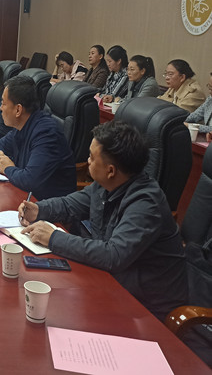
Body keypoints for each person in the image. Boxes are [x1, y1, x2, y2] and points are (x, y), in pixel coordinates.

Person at [19, 121, 187, 320]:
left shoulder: (146, 203)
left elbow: (113, 255)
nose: (87, 161)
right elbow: (70, 205)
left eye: (91, 157)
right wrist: (39, 209)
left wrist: (52, 238)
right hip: (111, 283)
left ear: (111, 170)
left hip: (146, 307)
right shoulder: (106, 185)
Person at [0, 76, 76, 200]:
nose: (0, 108)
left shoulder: (46, 133)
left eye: (3, 103)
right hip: (27, 198)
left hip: (51, 206)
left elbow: (30, 180)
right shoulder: (21, 125)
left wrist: (7, 168)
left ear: (18, 110)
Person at [185, 72, 212, 141]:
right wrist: (179, 121)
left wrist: (190, 126)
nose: (210, 92)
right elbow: (194, 116)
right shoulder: (210, 100)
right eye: (209, 87)